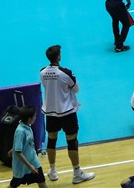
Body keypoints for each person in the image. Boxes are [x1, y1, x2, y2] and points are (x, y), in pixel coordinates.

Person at [39, 46, 95, 184]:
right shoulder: (65, 73)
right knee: (72, 141)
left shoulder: (42, 72)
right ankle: (77, 173)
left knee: (52, 139)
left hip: (51, 112)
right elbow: (76, 89)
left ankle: (52, 171)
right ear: (58, 56)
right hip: (67, 112)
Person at [10, 106, 46, 188]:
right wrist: (30, 167)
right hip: (22, 166)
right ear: (29, 119)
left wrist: (12, 149)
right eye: (34, 116)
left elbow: (22, 143)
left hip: (34, 161)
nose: (35, 118)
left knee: (42, 182)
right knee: (14, 184)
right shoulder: (20, 131)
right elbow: (18, 152)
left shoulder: (28, 126)